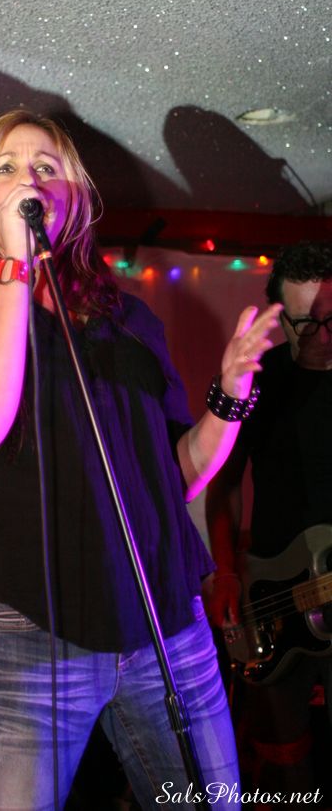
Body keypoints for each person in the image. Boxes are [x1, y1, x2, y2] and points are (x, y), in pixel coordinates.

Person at [0, 109, 281, 809]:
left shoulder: (129, 319)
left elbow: (176, 476)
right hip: (29, 632)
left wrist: (229, 397)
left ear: (74, 197)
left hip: (166, 623)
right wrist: (15, 270)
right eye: (6, 168)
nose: (29, 179)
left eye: (46, 167)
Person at [205, 241, 332, 800]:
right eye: (305, 324)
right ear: (283, 319)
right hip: (273, 600)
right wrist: (227, 571)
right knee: (284, 764)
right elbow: (224, 486)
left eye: (331, 320)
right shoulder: (259, 382)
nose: (321, 337)